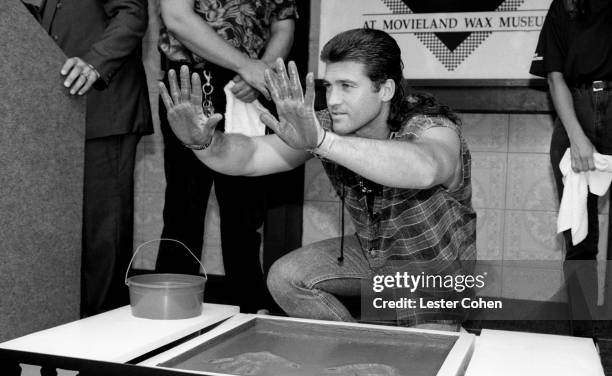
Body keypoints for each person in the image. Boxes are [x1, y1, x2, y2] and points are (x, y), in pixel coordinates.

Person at [160, 29, 476, 328]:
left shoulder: (431, 126)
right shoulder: (328, 125)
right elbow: (251, 156)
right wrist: (203, 143)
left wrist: (323, 142)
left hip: (433, 273)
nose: (334, 99)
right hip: (371, 256)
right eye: (329, 86)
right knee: (286, 278)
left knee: (427, 369)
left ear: (385, 89)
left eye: (347, 86)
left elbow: (426, 168)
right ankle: (356, 348)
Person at [156, 0, 297, 313]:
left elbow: (284, 23)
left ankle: (249, 311)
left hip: (251, 85)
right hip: (194, 76)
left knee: (245, 211)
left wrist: (260, 71)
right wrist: (244, 65)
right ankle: (169, 313)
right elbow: (176, 16)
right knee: (184, 205)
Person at [36, 0, 153, 316]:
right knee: (61, 238)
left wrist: (93, 63)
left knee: (103, 241)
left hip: (102, 112)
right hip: (54, 116)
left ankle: (103, 340)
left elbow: (132, 13)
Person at [531, 0, 612, 336]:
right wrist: (578, 138)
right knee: (580, 237)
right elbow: (554, 75)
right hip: (575, 112)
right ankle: (584, 334)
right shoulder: (565, 4)